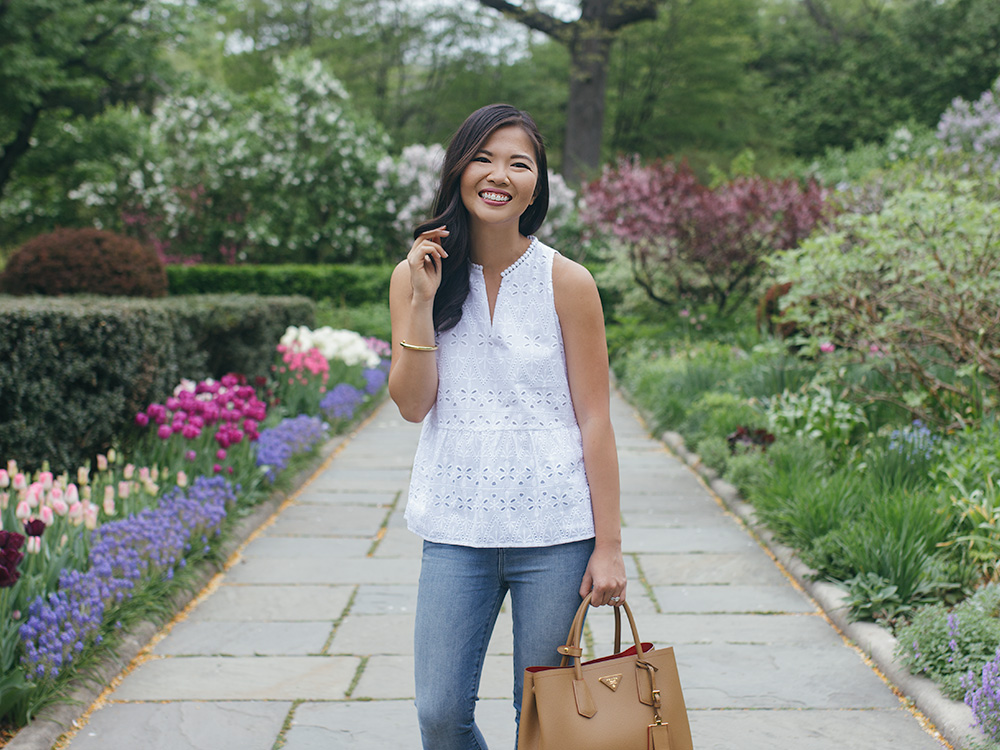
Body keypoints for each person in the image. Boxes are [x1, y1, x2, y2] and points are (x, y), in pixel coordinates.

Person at [388, 103, 626, 750]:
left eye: (518, 163)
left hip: (555, 533)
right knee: (440, 714)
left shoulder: (567, 282)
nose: (499, 175)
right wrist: (421, 301)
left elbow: (595, 420)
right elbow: (412, 404)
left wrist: (608, 546)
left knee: (545, 723)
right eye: (483, 158)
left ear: (535, 185)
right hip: (455, 527)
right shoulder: (416, 276)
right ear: (458, 170)